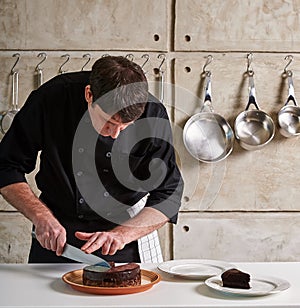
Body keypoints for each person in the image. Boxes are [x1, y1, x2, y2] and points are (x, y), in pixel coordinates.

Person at [0, 55, 184, 263]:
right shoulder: (50, 99)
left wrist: (122, 235)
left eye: (125, 127)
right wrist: (40, 216)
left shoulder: (153, 113)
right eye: (109, 122)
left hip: (123, 238)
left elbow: (169, 193)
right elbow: (7, 166)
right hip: (56, 234)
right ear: (89, 94)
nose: (115, 134)